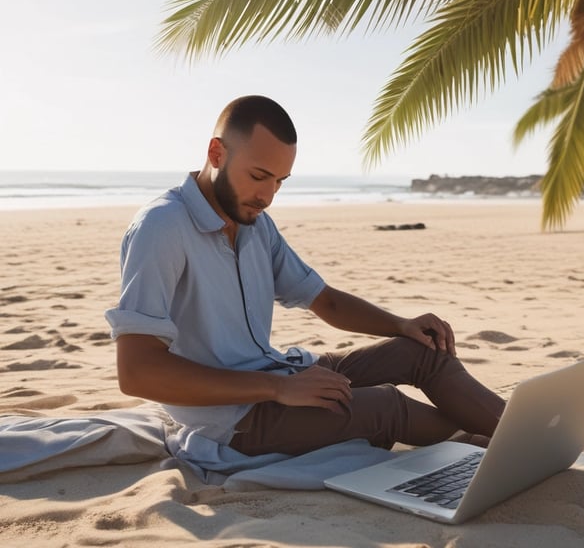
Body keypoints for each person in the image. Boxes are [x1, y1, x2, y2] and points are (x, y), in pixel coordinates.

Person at [106, 95, 504, 459]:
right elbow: (137, 373)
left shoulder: (255, 224)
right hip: (231, 418)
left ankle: (521, 432)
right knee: (386, 405)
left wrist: (401, 324)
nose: (267, 195)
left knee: (420, 350)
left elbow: (325, 300)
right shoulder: (161, 228)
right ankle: (484, 445)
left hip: (280, 373)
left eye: (279, 182)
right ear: (216, 153)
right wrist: (277, 389)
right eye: (259, 176)